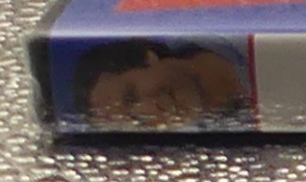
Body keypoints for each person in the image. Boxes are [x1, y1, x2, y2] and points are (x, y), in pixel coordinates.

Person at [71, 40, 249, 129]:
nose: (150, 110)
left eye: (131, 96)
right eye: (138, 121)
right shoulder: (225, 157)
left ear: (147, 57)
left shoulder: (233, 25)